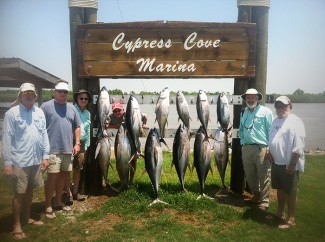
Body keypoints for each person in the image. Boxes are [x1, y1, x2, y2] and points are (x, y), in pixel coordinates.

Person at [2, 83, 49, 240]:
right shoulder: (11, 114)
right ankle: (16, 225)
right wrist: (8, 163)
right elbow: (7, 140)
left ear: (35, 96)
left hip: (35, 159)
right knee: (19, 194)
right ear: (20, 95)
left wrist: (45, 156)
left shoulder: (40, 112)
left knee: (30, 191)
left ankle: (26, 217)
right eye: (25, 93)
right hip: (19, 161)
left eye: (31, 93)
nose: (29, 95)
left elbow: (44, 135)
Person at [41, 81, 82, 219]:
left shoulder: (72, 108)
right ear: (55, 91)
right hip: (52, 150)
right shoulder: (45, 107)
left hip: (67, 150)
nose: (62, 94)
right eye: (60, 91)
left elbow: (77, 126)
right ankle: (48, 205)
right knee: (52, 178)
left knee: (64, 176)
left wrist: (77, 143)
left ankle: (58, 201)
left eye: (65, 92)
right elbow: (40, 128)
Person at [266, 96, 306, 229]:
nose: (280, 109)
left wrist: (292, 164)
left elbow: (299, 146)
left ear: (290, 106)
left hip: (289, 165)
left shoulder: (296, 121)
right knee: (280, 189)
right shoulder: (275, 120)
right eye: (277, 106)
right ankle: (280, 213)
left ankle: (291, 218)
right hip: (276, 163)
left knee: (291, 192)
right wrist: (269, 151)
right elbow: (272, 139)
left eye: (283, 106)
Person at [239, 88, 274, 210]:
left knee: (263, 174)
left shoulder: (267, 112)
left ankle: (264, 201)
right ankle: (256, 195)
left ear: (258, 98)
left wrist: (269, 148)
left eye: (253, 97)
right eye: (248, 97)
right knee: (250, 174)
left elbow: (271, 131)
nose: (250, 99)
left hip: (261, 148)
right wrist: (243, 142)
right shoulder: (243, 112)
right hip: (246, 148)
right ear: (245, 99)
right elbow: (241, 130)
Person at [72, 89, 92, 201]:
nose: (83, 100)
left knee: (78, 168)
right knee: (66, 169)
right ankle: (68, 193)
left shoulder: (88, 113)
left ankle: (75, 192)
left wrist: (87, 146)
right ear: (77, 99)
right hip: (71, 142)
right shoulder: (71, 109)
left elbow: (87, 130)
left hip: (83, 144)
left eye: (86, 98)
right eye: (81, 98)